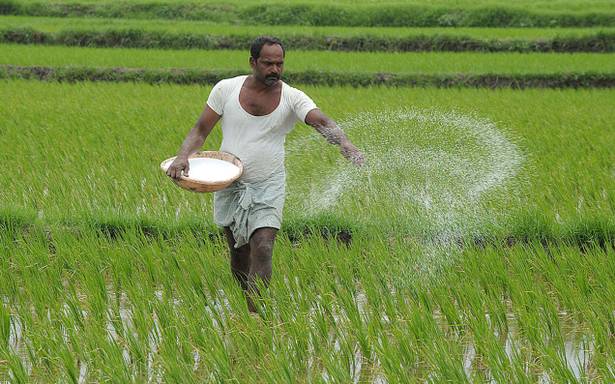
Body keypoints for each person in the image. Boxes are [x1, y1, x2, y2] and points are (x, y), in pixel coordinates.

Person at [166, 36, 364, 313]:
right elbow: (200, 130)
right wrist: (182, 156)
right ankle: (246, 303)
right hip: (229, 182)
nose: (275, 69)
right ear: (253, 62)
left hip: (268, 182)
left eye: (279, 64)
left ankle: (256, 313)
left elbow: (321, 121)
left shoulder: (292, 97)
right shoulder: (226, 89)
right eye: (268, 63)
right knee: (239, 253)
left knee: (263, 246)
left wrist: (345, 143)